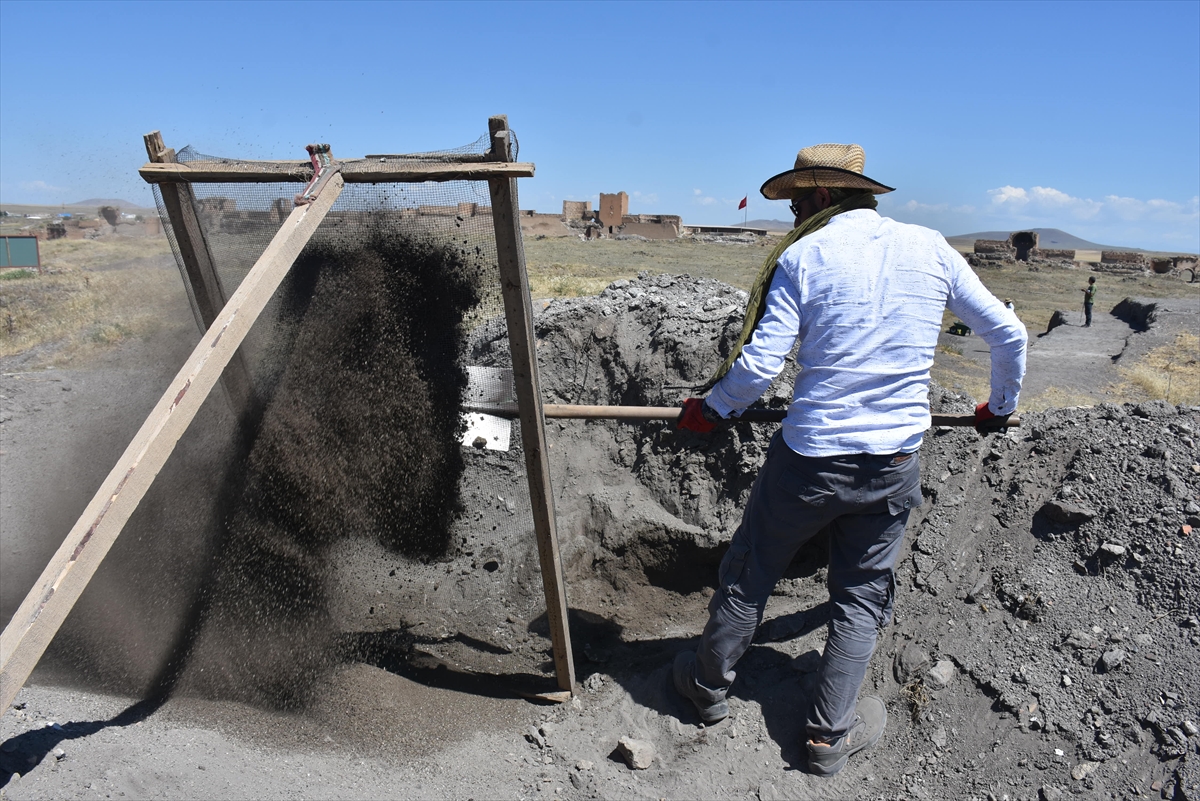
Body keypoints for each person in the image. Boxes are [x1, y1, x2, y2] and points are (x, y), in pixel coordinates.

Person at [672, 143, 1027, 777]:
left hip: (809, 459)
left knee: (751, 569)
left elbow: (758, 365)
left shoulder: (806, 255)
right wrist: (998, 407)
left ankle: (705, 689)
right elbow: (1009, 333)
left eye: (799, 202)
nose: (793, 216)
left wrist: (712, 409)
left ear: (827, 196)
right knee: (861, 597)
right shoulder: (932, 248)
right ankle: (827, 738)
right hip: (892, 462)